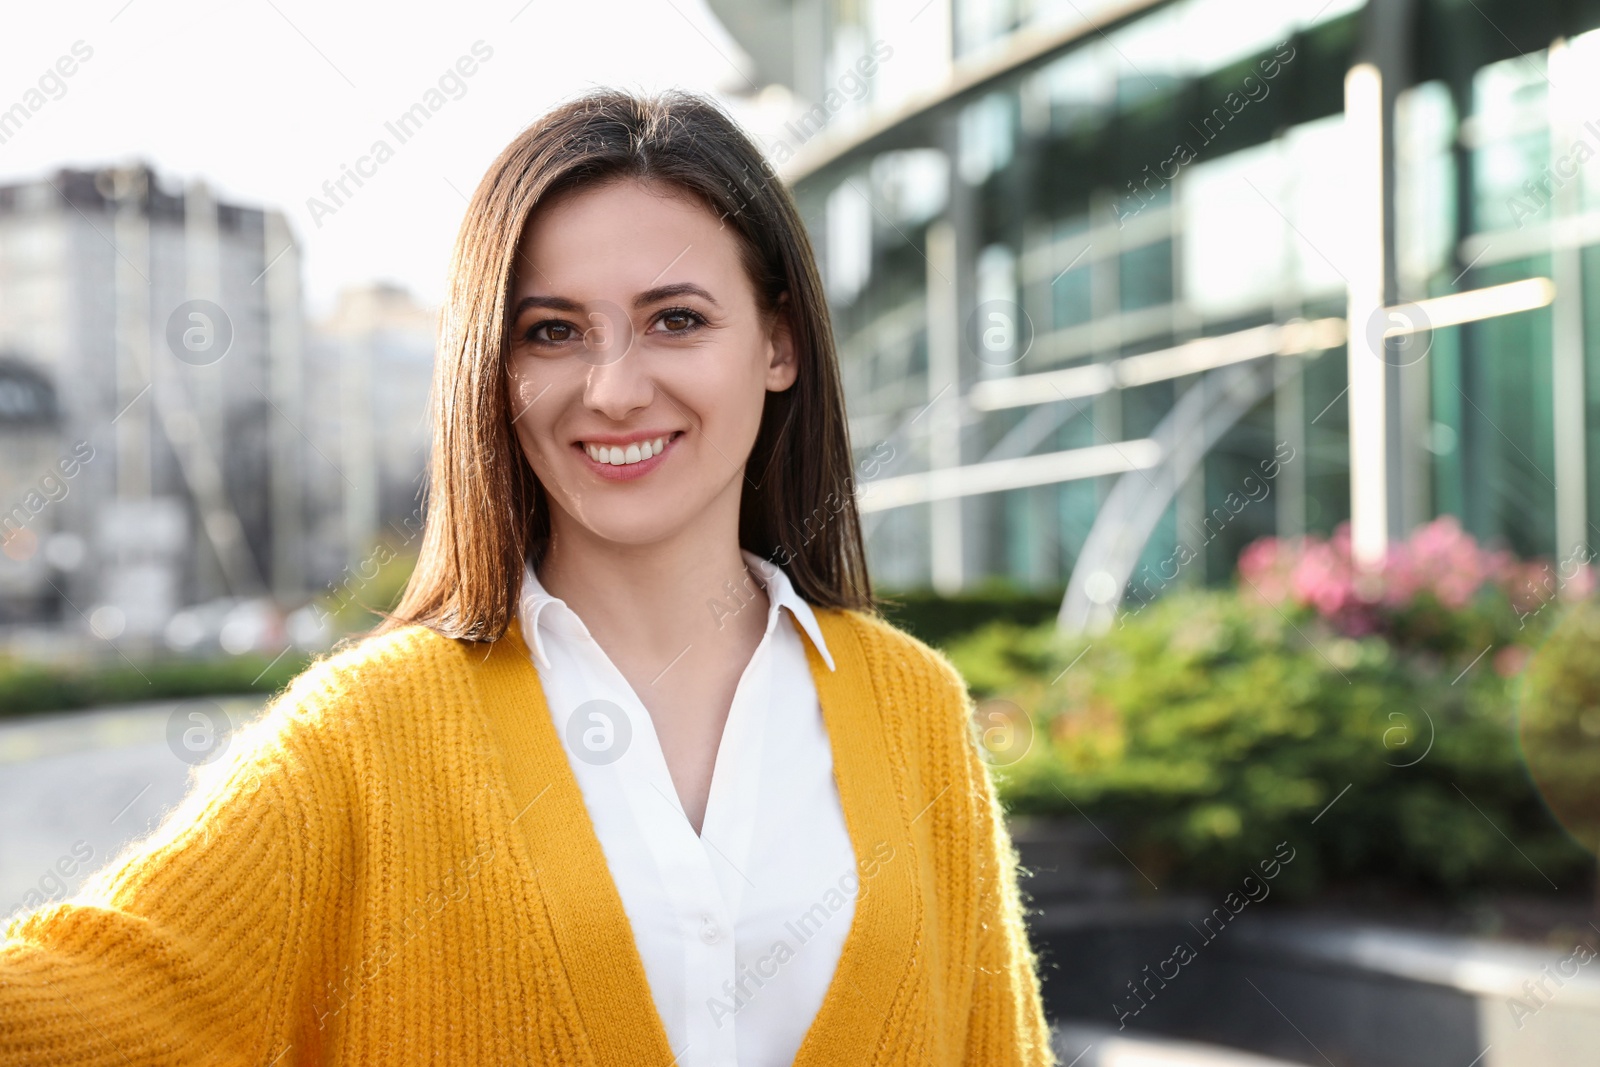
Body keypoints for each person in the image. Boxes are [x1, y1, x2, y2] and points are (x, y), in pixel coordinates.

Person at [0, 87, 1056, 1066]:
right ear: (493, 372)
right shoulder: (365, 734)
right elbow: (90, 999)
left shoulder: (914, 708)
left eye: (675, 319)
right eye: (551, 331)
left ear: (777, 342)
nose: (613, 387)